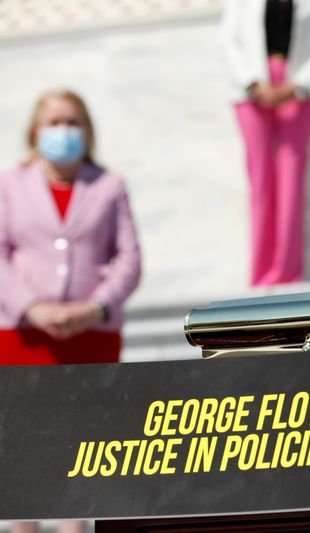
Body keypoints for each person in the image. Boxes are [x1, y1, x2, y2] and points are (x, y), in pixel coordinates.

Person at [0, 89, 142, 531]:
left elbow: (130, 259)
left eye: (72, 121)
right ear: (34, 132)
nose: (64, 131)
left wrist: (96, 307)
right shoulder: (9, 184)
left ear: (87, 130)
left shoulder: (109, 184)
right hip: (24, 334)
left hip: (91, 335)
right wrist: (32, 308)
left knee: (81, 448)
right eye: (54, 122)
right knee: (25, 452)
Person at [221, 0, 310, 286]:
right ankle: (260, 275)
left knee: (291, 181)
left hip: (298, 92)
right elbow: (229, 39)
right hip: (252, 94)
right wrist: (251, 83)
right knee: (260, 180)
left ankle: (287, 274)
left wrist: (298, 85)